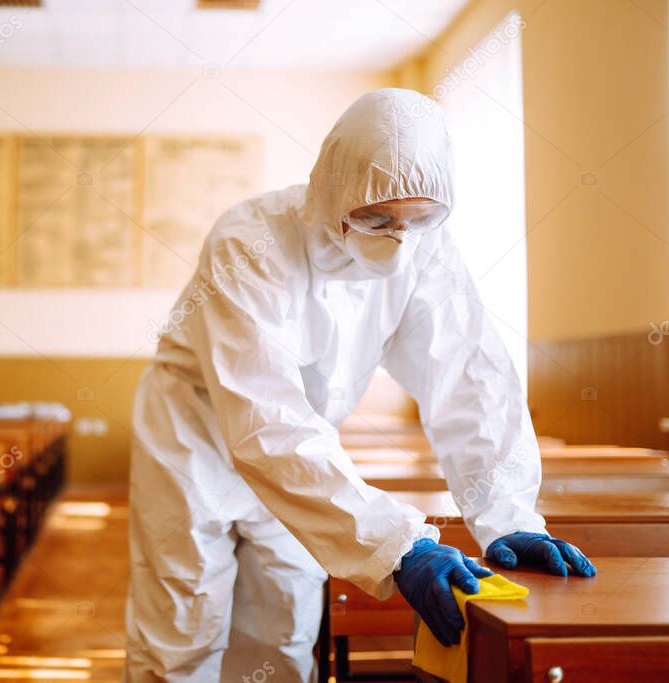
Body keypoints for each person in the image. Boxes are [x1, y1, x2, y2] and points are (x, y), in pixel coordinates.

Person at [123, 88, 595, 683]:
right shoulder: (250, 243)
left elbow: (473, 385)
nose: (399, 239)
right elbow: (264, 418)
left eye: (418, 219)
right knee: (181, 630)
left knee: (282, 636)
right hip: (194, 443)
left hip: (303, 458)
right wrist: (400, 545)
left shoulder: (429, 253)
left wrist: (509, 516)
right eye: (377, 218)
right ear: (332, 190)